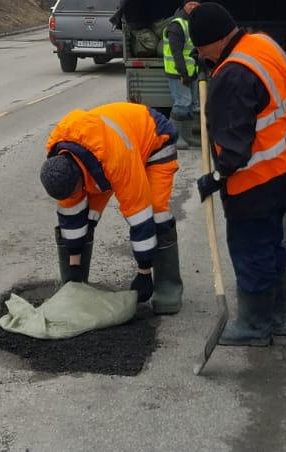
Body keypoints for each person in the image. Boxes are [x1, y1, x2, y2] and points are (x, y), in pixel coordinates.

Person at [189, 2, 286, 345]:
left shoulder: (232, 76)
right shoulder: (260, 44)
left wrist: (216, 179)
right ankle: (278, 319)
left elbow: (234, 146)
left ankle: (254, 326)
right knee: (271, 245)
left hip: (256, 181)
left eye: (201, 48)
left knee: (252, 250)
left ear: (216, 41)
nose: (200, 55)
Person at [40, 102, 184, 314]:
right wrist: (73, 269)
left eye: (75, 191)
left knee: (155, 213)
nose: (73, 196)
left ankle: (167, 291)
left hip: (154, 139)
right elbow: (72, 217)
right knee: (86, 216)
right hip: (102, 151)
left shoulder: (117, 162)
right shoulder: (60, 161)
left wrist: (144, 272)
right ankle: (75, 286)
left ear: (80, 179)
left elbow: (139, 213)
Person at [162, 0, 202, 147]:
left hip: (192, 71)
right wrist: (183, 73)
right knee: (182, 103)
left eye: (196, 5)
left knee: (191, 104)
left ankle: (187, 136)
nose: (193, 7)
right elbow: (176, 52)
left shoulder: (195, 23)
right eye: (190, 4)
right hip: (178, 72)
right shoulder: (177, 25)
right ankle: (174, 138)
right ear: (184, 6)